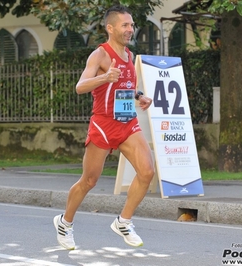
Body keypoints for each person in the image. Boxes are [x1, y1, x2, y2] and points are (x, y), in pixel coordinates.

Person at [53, 4, 154, 250]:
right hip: (102, 124)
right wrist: (104, 77)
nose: (130, 29)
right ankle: (65, 223)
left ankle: (123, 221)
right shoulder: (100, 54)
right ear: (110, 28)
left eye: (131, 25)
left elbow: (124, 87)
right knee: (89, 180)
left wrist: (139, 96)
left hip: (126, 121)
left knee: (147, 172)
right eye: (125, 25)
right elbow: (80, 86)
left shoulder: (129, 56)